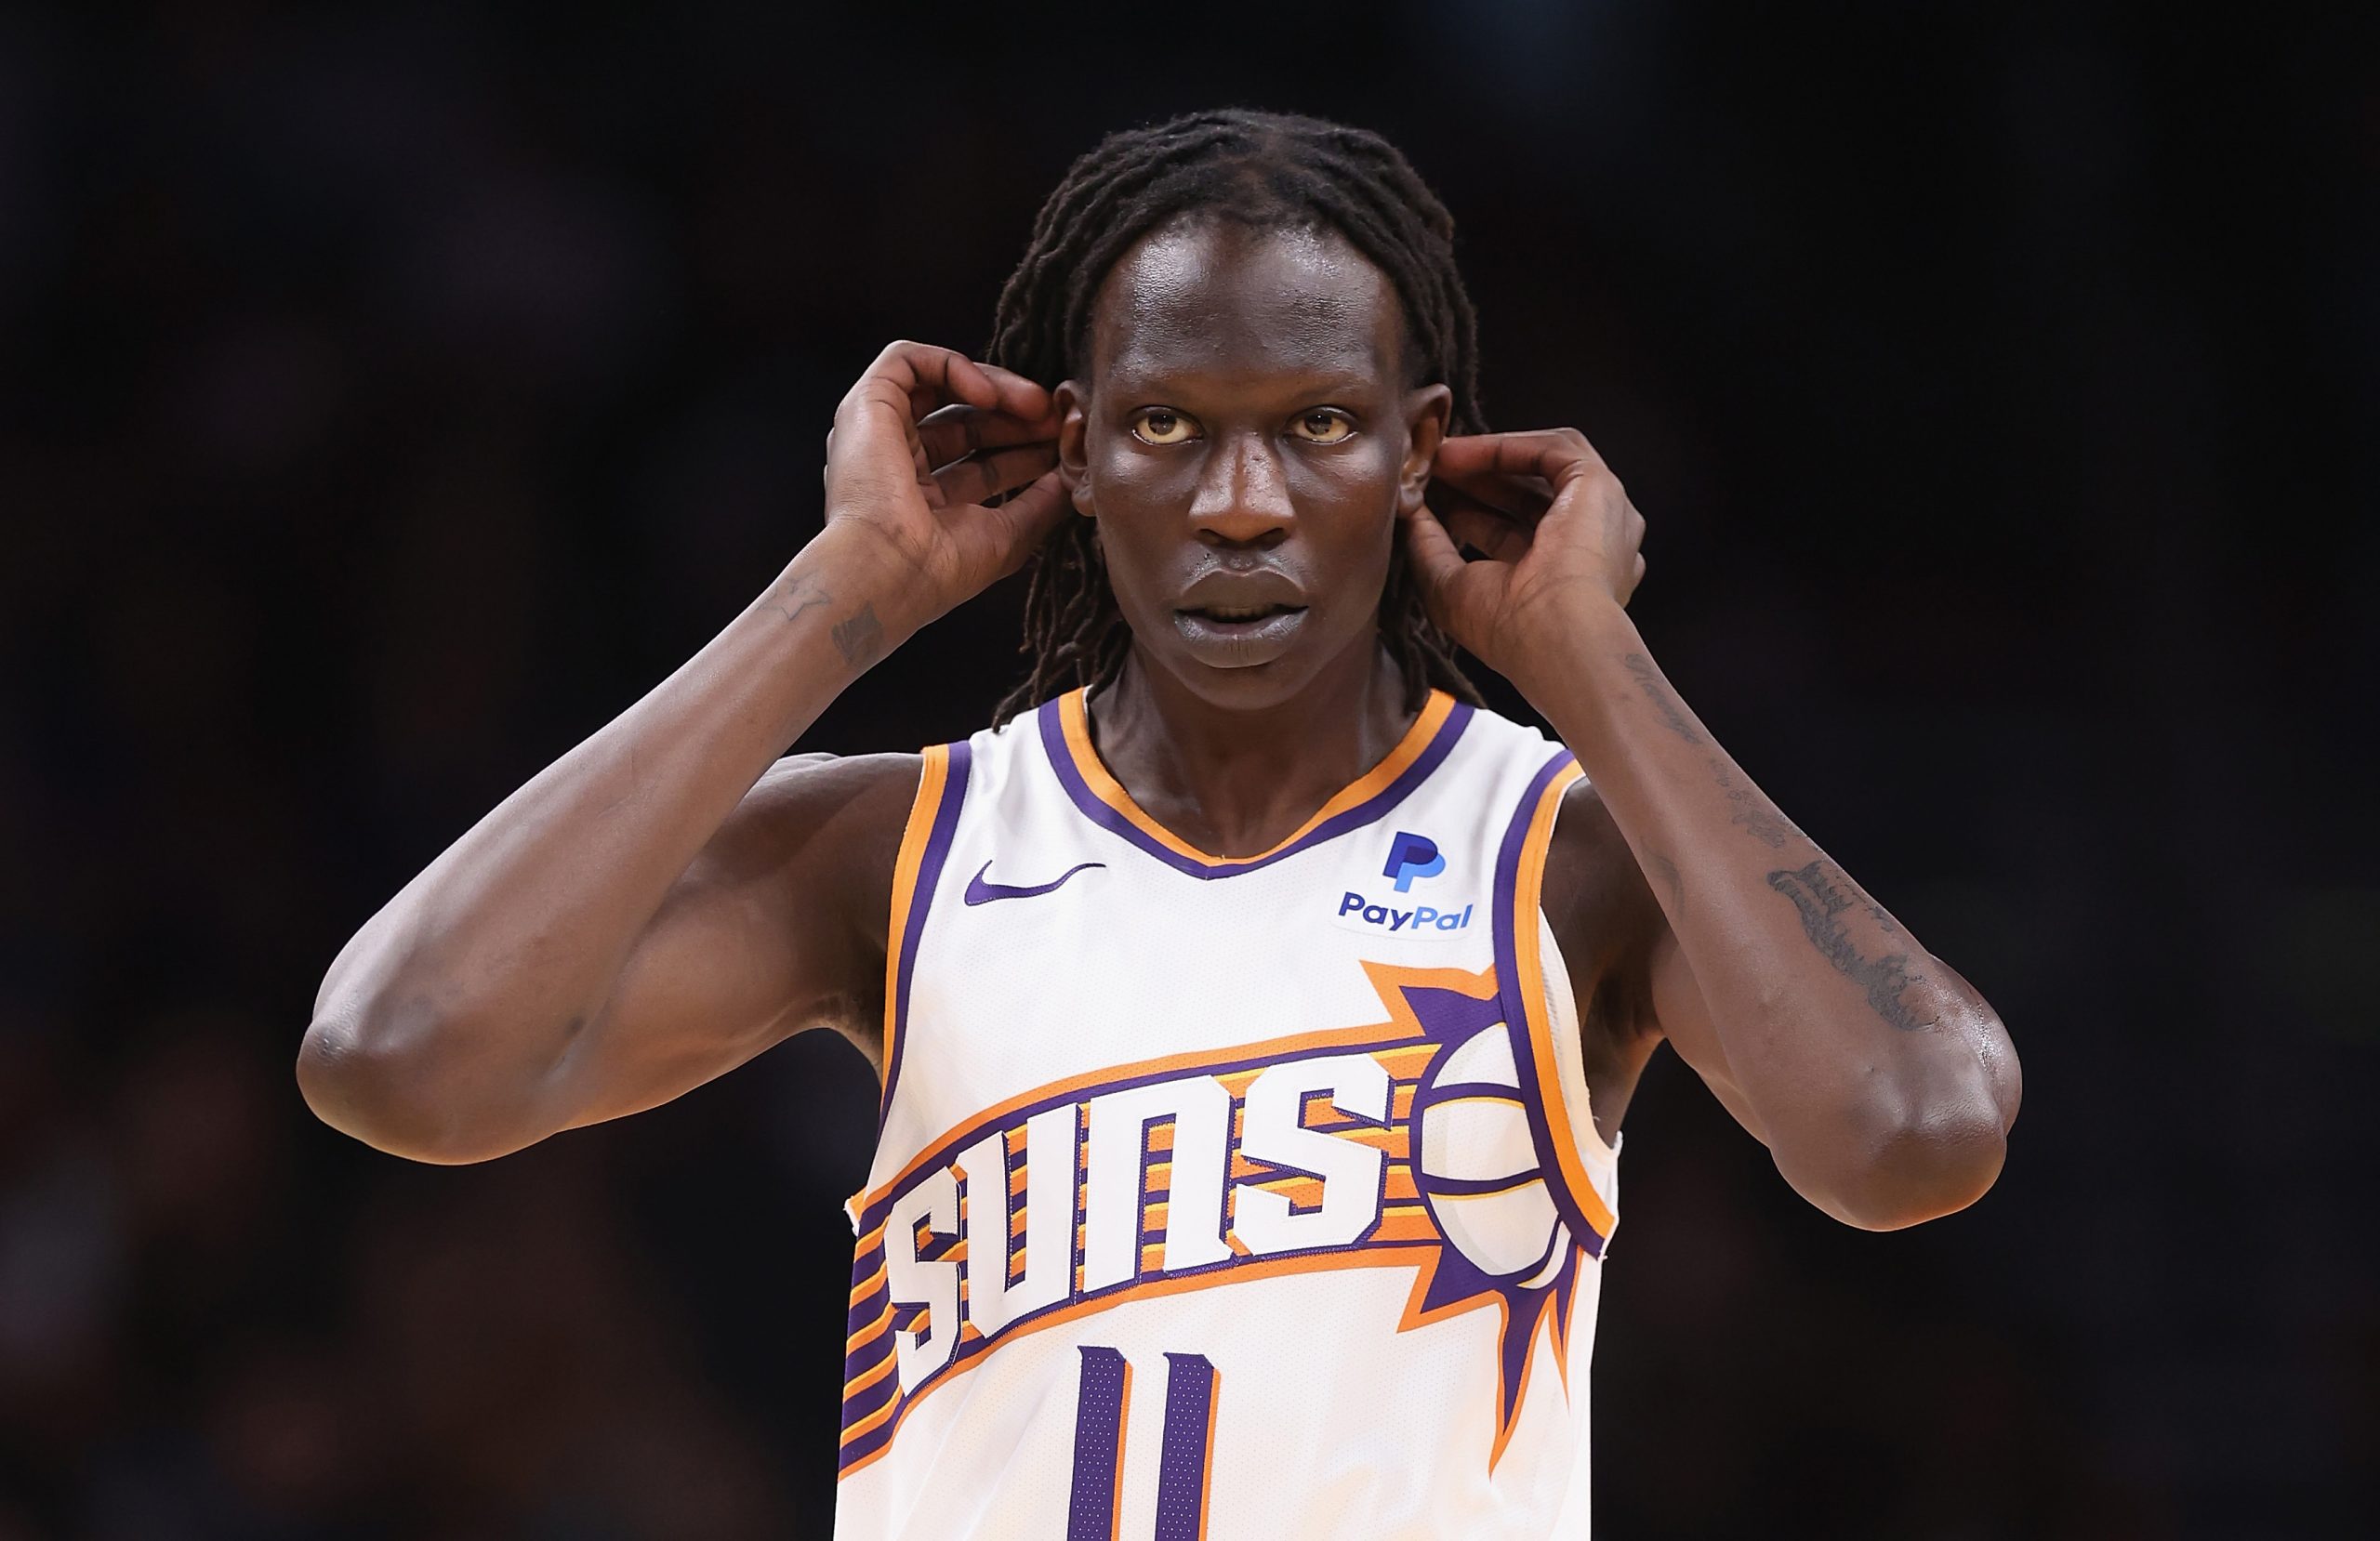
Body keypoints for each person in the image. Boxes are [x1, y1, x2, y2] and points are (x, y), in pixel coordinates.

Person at [298, 109, 2021, 1539]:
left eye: (1321, 429)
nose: (1244, 504)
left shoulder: (1565, 856)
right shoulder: (896, 849)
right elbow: (398, 1055)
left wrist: (1592, 662)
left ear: (1419, 454)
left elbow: (1916, 1131)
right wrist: (845, 590)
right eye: (1168, 427)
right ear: (1078, 449)